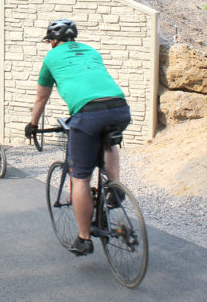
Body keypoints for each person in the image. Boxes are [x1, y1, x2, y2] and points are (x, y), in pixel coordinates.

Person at [25, 19, 130, 257]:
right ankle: (115, 187)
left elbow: (41, 98)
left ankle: (84, 238)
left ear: (52, 41)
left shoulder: (51, 58)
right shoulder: (91, 51)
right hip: (119, 107)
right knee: (109, 142)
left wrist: (33, 125)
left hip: (87, 114)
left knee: (81, 178)